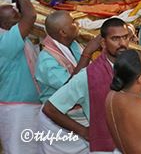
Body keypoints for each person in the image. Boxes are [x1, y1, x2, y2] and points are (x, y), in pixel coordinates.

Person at [42, 18, 130, 153]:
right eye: (115, 39)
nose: (122, 43)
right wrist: (84, 131)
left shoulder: (132, 68)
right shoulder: (88, 76)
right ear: (103, 43)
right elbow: (50, 108)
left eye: (125, 37)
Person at [35, 11, 102, 154]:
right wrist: (88, 53)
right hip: (58, 121)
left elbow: (89, 73)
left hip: (80, 115)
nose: (77, 24)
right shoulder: (46, 60)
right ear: (63, 32)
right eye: (73, 22)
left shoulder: (73, 45)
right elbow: (72, 87)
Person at [0, 0, 40, 154]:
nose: (19, 15)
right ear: (3, 24)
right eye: (15, 16)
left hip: (27, 106)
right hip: (17, 109)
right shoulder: (5, 42)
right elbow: (30, 16)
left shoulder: (11, 36)